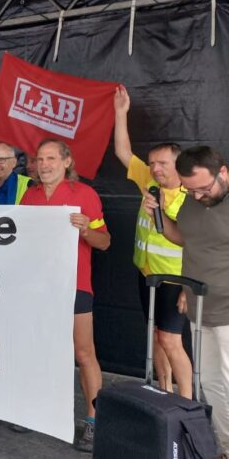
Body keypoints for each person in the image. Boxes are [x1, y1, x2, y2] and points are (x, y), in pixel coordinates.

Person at [20, 139, 110, 453]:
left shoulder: (85, 194)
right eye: (40, 159)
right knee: (38, 350)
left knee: (84, 354)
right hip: (37, 287)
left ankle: (94, 419)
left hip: (75, 286)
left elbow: (105, 242)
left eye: (51, 158)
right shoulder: (28, 195)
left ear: (66, 162)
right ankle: (35, 410)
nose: (44, 164)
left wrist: (86, 230)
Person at [144, 146, 229, 457]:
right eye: (190, 190)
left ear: (223, 173)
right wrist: (158, 214)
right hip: (200, 307)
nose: (197, 196)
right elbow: (183, 237)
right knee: (211, 383)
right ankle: (224, 447)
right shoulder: (194, 203)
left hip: (228, 311)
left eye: (204, 188)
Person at [114, 86, 191, 398]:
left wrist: (189, 286)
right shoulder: (148, 180)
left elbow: (202, 243)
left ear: (179, 165)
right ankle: (164, 391)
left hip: (177, 279)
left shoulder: (192, 196)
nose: (156, 169)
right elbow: (122, 152)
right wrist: (120, 113)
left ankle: (187, 402)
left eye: (163, 164)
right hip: (147, 274)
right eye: (153, 163)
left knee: (172, 340)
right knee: (157, 335)